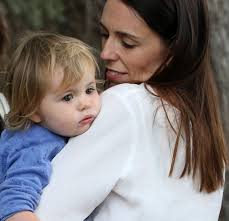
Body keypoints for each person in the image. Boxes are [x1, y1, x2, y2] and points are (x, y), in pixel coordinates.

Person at [7, 0, 229, 221]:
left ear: (174, 50)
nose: (105, 53)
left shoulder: (128, 105)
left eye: (127, 43)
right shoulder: (207, 136)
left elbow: (41, 214)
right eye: (104, 34)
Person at [0, 31, 101, 221]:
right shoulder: (34, 144)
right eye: (68, 97)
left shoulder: (58, 129)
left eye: (89, 90)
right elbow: (14, 207)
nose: (85, 103)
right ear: (33, 110)